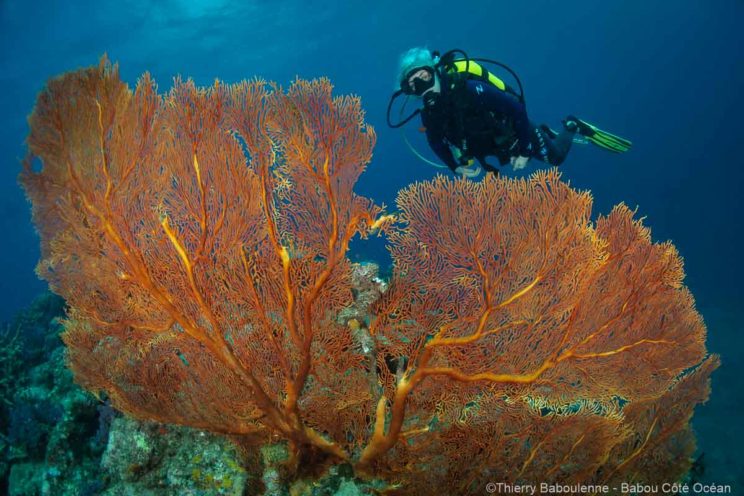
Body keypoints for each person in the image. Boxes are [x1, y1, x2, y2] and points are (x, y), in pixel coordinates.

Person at [389, 48, 632, 176]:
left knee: (556, 157)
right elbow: (435, 143)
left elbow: (516, 109)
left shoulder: (471, 90)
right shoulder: (429, 115)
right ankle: (548, 132)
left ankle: (572, 125)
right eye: (414, 86)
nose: (422, 87)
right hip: (489, 147)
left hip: (517, 133)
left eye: (424, 77)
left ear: (435, 71)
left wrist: (525, 151)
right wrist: (454, 166)